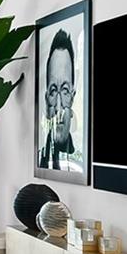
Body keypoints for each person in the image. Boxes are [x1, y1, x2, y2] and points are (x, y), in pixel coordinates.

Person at [40, 28, 79, 170]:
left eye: (65, 90)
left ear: (73, 97)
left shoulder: (79, 163)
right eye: (53, 90)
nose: (58, 106)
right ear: (46, 99)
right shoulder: (41, 160)